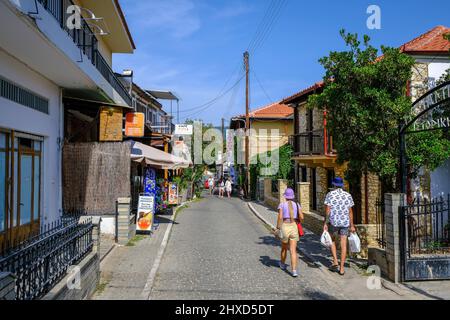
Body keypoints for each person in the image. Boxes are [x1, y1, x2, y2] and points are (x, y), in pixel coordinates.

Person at [323, 177, 356, 276]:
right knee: (343, 244)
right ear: (342, 185)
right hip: (345, 223)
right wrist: (352, 225)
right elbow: (350, 211)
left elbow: (328, 210)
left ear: (334, 185)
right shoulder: (348, 195)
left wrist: (325, 222)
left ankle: (335, 261)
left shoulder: (330, 194)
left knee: (332, 240)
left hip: (334, 222)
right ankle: (341, 268)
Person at [275, 188, 304, 277]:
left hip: (285, 226)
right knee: (293, 250)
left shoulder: (282, 204)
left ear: (285, 196)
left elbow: (280, 217)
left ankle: (283, 264)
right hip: (294, 226)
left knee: (284, 248)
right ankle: (294, 271)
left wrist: (278, 228)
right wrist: (297, 222)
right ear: (292, 196)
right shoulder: (297, 204)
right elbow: (302, 217)